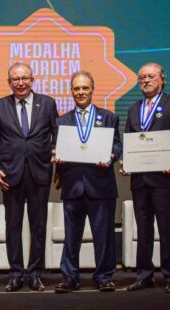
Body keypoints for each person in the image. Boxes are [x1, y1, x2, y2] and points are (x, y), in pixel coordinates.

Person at [121, 63, 170, 294]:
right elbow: (129, 140)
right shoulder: (133, 109)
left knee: (167, 229)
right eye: (142, 77)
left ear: (162, 79)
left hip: (166, 178)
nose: (146, 80)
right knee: (143, 231)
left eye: (151, 76)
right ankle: (144, 275)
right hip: (140, 180)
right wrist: (125, 161)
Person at [0, 62, 59, 292]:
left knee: (38, 227)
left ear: (32, 80)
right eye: (16, 79)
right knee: (13, 227)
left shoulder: (47, 103)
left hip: (40, 173)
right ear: (9, 83)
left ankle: (36, 274)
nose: (21, 83)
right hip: (10, 175)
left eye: (25, 78)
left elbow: (57, 137)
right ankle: (16, 274)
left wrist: (57, 156)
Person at [51, 71, 121, 293]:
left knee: (104, 235)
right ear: (71, 92)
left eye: (85, 88)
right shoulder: (61, 121)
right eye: (76, 88)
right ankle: (70, 277)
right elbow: (56, 149)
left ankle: (104, 276)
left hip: (101, 185)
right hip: (73, 186)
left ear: (92, 89)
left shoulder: (109, 117)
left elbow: (117, 146)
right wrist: (56, 157)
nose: (80, 92)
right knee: (71, 237)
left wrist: (111, 156)